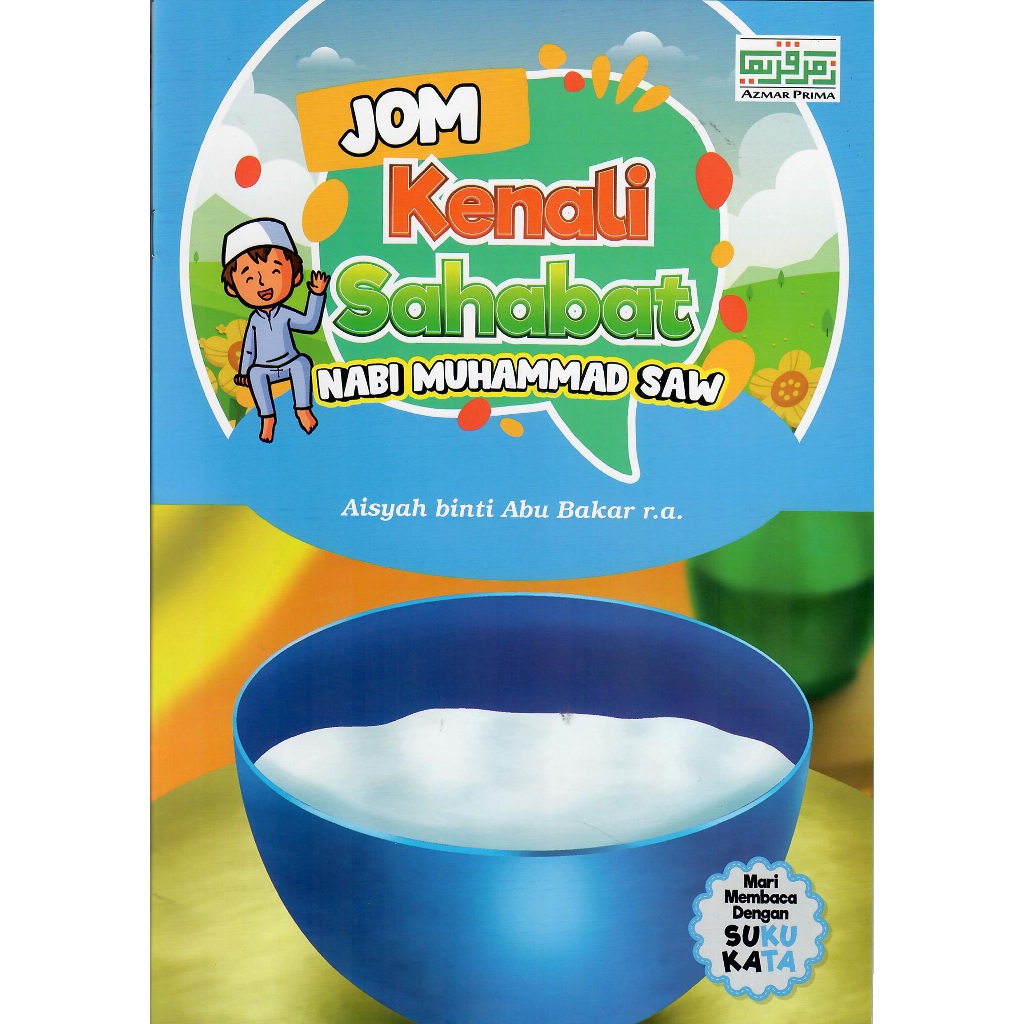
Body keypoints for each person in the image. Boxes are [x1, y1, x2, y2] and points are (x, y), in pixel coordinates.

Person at [221, 218, 328, 443]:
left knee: (303, 363)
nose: (262, 283)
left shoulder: (285, 313)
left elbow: (309, 324)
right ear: (232, 288)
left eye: (274, 272)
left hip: (289, 362)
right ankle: (268, 418)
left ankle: (303, 409)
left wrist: (317, 294)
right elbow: (248, 348)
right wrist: (244, 371)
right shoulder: (255, 320)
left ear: (295, 276)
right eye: (249, 278)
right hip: (264, 368)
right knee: (255, 375)